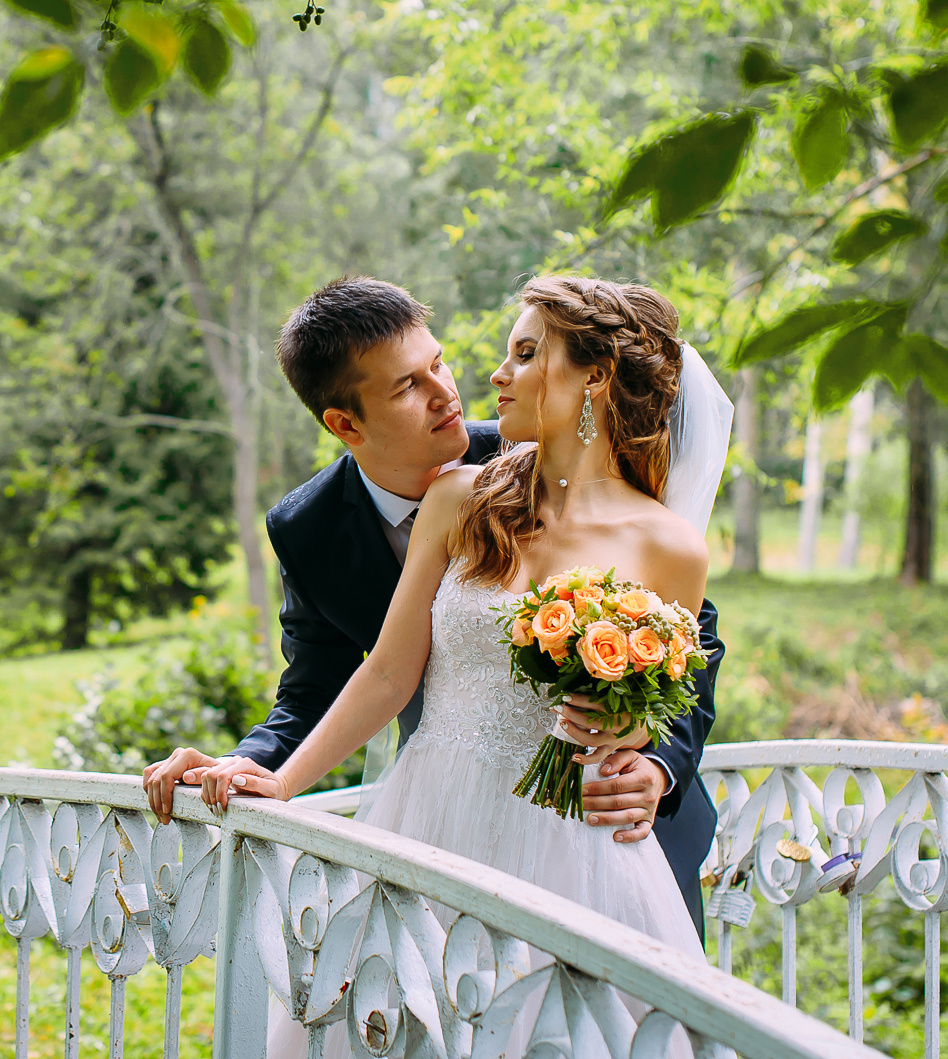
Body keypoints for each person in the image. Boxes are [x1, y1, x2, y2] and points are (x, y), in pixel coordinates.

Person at [142, 275, 729, 937]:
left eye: (440, 363)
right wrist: (268, 775)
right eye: (407, 386)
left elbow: (682, 656)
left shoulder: (645, 523)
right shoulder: (432, 502)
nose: (457, 389)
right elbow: (361, 677)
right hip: (439, 800)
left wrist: (645, 743)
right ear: (345, 424)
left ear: (595, 377)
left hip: (594, 822)